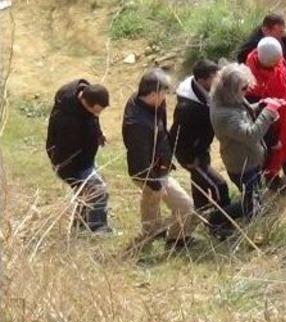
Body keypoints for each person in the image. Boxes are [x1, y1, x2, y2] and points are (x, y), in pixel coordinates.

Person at [122, 69, 197, 246]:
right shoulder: (137, 124)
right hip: (149, 172)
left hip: (159, 166)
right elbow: (139, 161)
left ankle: (154, 233)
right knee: (184, 206)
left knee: (151, 202)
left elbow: (162, 126)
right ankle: (176, 240)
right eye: (164, 93)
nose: (166, 98)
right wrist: (156, 184)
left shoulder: (151, 102)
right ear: (154, 93)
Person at [209, 63, 282, 227]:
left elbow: (244, 113)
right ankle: (217, 220)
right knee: (249, 202)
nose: (248, 90)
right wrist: (269, 112)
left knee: (254, 194)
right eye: (244, 87)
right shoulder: (225, 115)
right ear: (231, 89)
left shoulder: (227, 98)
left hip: (249, 159)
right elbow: (251, 134)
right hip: (242, 165)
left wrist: (261, 105)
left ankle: (255, 211)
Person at [245, 37, 286, 190]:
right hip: (271, 119)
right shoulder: (251, 78)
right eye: (274, 63)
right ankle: (272, 178)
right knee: (274, 148)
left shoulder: (276, 57)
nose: (278, 64)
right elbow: (256, 108)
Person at [45, 79, 111, 233]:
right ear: (86, 103)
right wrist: (74, 180)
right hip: (70, 163)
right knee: (98, 189)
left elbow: (93, 118)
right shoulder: (68, 122)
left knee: (87, 193)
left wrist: (98, 133)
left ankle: (80, 225)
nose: (98, 115)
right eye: (96, 111)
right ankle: (97, 228)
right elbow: (63, 153)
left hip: (85, 156)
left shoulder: (85, 93)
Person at [169, 59, 229, 214]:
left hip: (201, 146)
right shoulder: (187, 108)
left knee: (199, 180)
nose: (218, 79)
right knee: (219, 185)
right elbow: (177, 136)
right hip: (191, 154)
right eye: (213, 77)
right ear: (202, 80)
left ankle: (201, 208)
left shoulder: (206, 90)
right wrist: (189, 159)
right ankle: (220, 222)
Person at [237, 13, 286, 86]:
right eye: (279, 32)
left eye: (282, 31)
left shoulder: (285, 40)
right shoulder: (253, 45)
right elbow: (242, 64)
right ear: (266, 30)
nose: (281, 36)